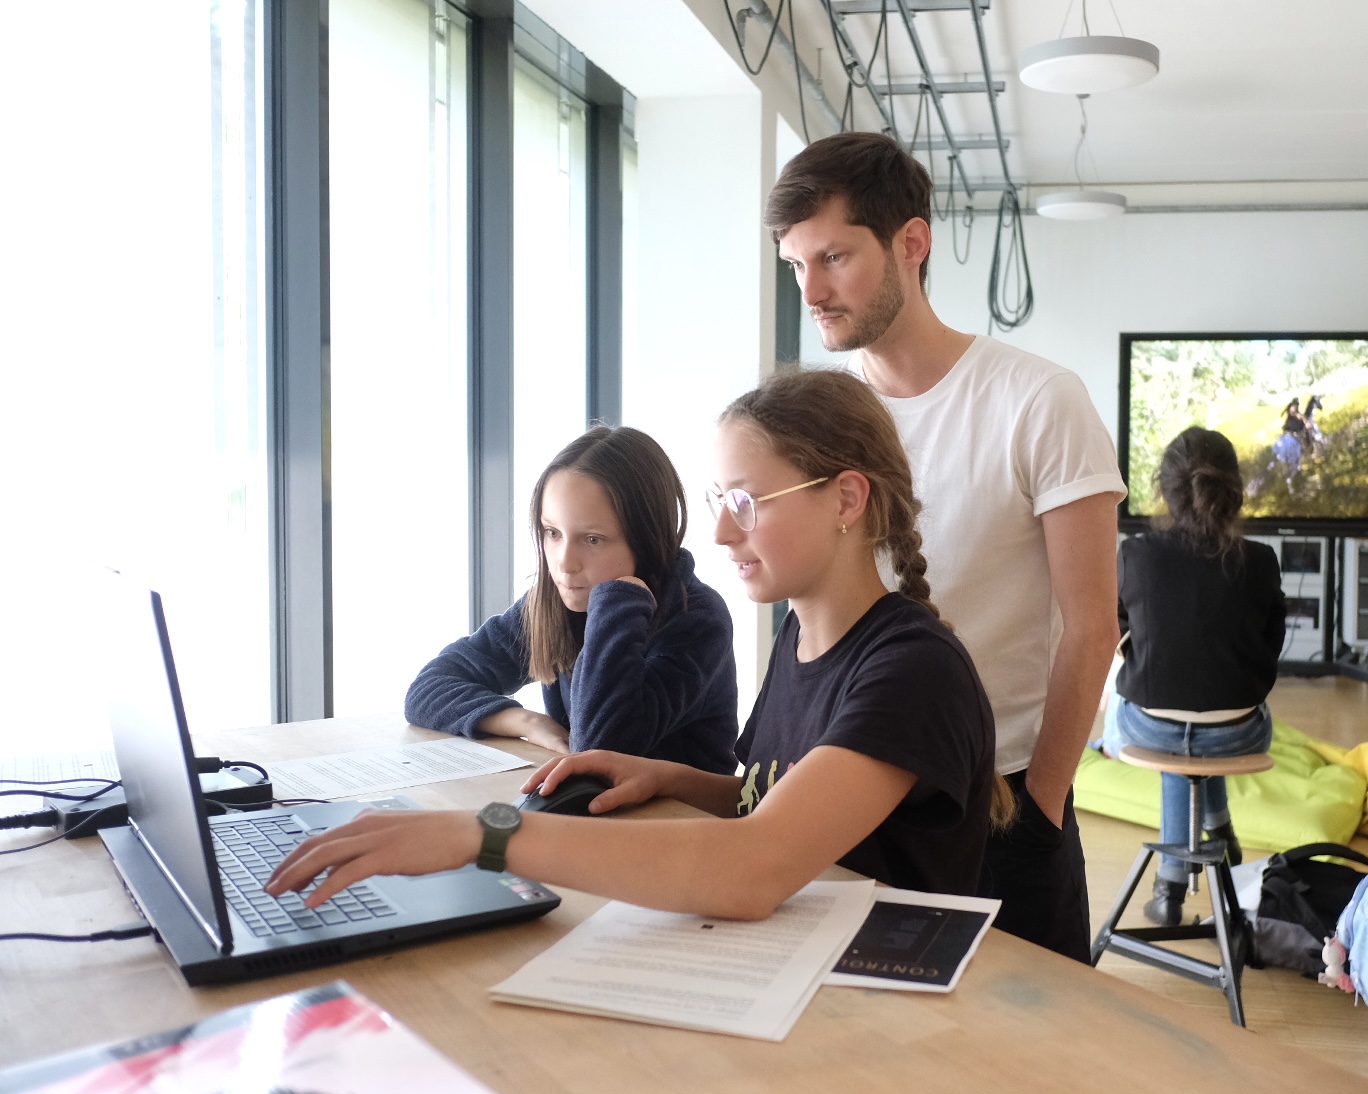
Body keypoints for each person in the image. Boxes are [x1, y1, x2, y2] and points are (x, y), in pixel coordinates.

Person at [267, 370, 1000, 917]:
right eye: (718, 503)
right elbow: (772, 800)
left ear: (845, 499)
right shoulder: (801, 636)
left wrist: (480, 834)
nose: (718, 532)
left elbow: (753, 865)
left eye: (744, 503)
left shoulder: (911, 671)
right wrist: (671, 778)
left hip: (881, 1012)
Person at [765, 131, 1124, 962]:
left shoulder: (1037, 400)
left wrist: (1039, 807)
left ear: (911, 244)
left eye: (833, 258)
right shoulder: (819, 417)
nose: (811, 291)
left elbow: (1091, 627)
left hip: (998, 798)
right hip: (843, 782)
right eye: (794, 266)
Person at [403, 425, 738, 774]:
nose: (564, 563)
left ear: (648, 539)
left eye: (593, 539)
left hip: (686, 821)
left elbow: (602, 747)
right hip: (598, 818)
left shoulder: (696, 619)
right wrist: (525, 722)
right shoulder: (557, 602)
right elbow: (428, 688)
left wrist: (619, 599)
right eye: (552, 533)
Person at [1098, 427, 1286, 927]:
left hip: (1150, 728)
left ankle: (1171, 884)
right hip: (1241, 732)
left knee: (1170, 736)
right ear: (1234, 489)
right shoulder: (1262, 560)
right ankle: (1219, 829)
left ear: (1165, 489)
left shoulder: (1134, 555)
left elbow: (1118, 636)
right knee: (1201, 737)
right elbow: (1271, 650)